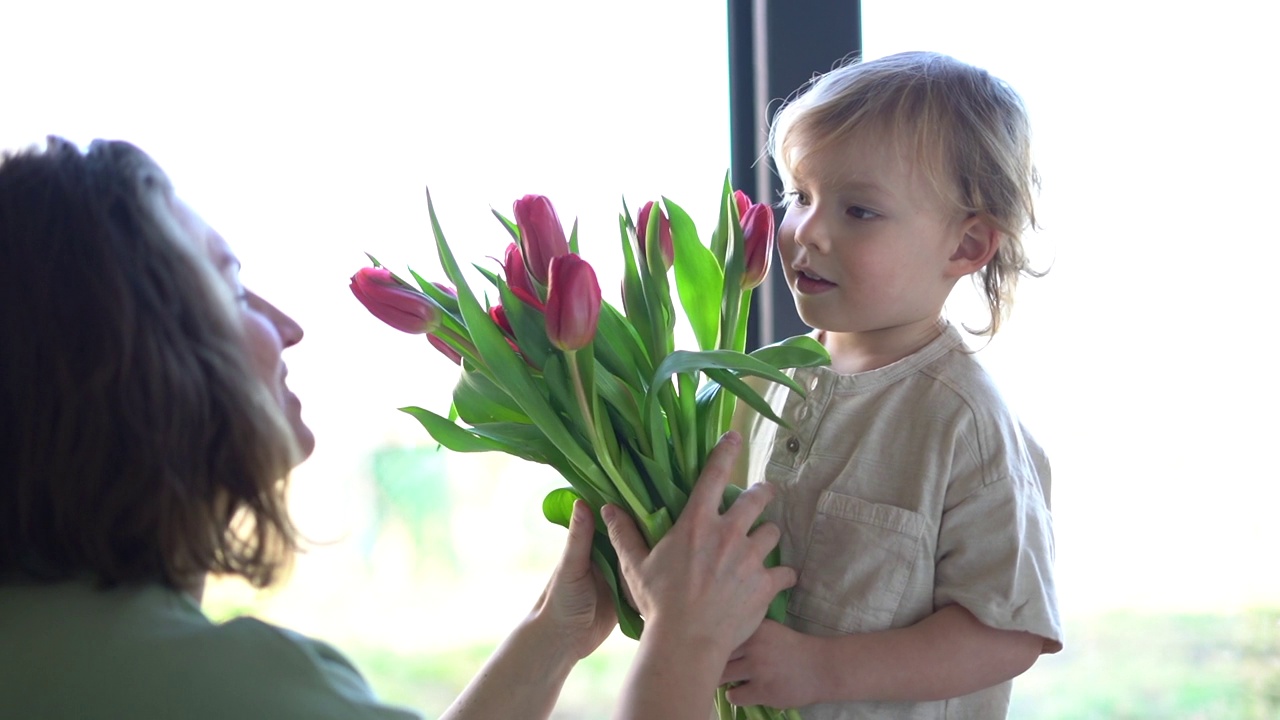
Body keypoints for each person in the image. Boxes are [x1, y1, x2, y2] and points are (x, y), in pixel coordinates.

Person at [0, 137, 797, 720]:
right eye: (232, 287)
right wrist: (686, 641)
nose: (288, 326)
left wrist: (552, 635)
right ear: (119, 348)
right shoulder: (224, 689)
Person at [721, 51, 1063, 719]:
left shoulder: (963, 421)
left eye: (859, 211)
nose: (807, 231)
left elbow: (1009, 631)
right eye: (801, 196)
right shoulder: (765, 384)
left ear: (965, 247)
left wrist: (821, 669)